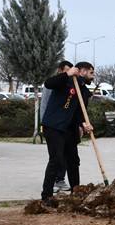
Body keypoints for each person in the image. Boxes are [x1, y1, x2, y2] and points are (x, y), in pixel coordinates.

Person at [40, 61, 94, 206]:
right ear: (82, 71)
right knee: (56, 160)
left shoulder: (82, 90)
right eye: (91, 73)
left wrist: (83, 123)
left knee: (73, 161)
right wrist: (67, 73)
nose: (92, 76)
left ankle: (76, 192)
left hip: (69, 129)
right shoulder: (65, 81)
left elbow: (78, 111)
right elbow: (48, 83)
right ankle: (47, 196)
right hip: (54, 127)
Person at [40, 60, 72, 194]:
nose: (68, 73)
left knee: (63, 155)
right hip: (50, 124)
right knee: (55, 156)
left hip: (62, 126)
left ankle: (60, 179)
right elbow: (44, 104)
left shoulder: (68, 84)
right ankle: (52, 182)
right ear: (60, 70)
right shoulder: (52, 84)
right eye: (66, 71)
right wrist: (43, 122)